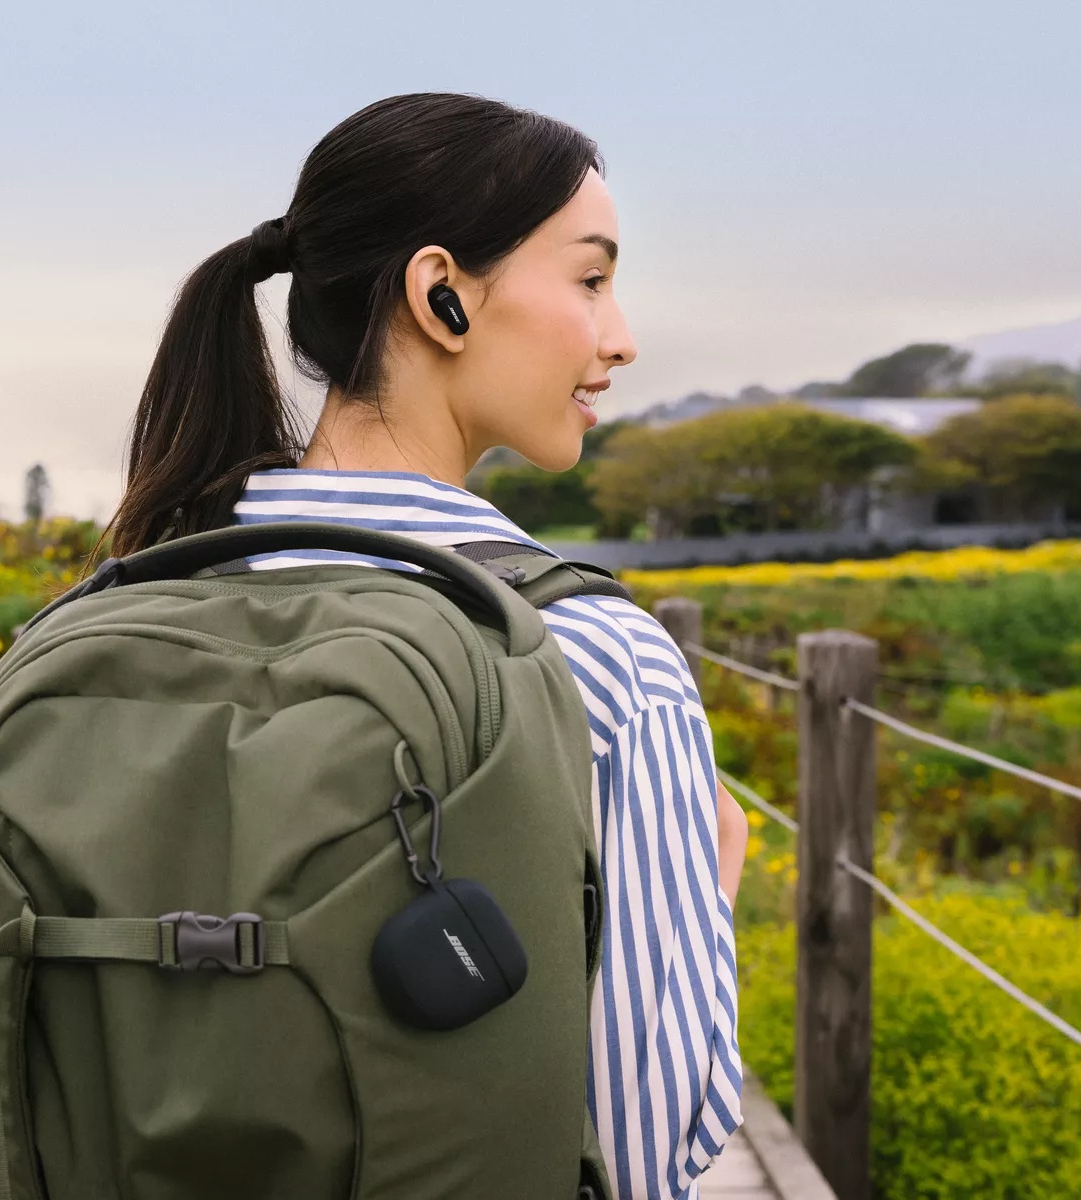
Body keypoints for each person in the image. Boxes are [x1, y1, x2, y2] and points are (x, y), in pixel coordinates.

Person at [107, 92, 748, 1200]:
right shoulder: (600, 659)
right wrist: (710, 881)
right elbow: (642, 1157)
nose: (621, 337)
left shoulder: (146, 599)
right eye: (591, 279)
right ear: (440, 293)